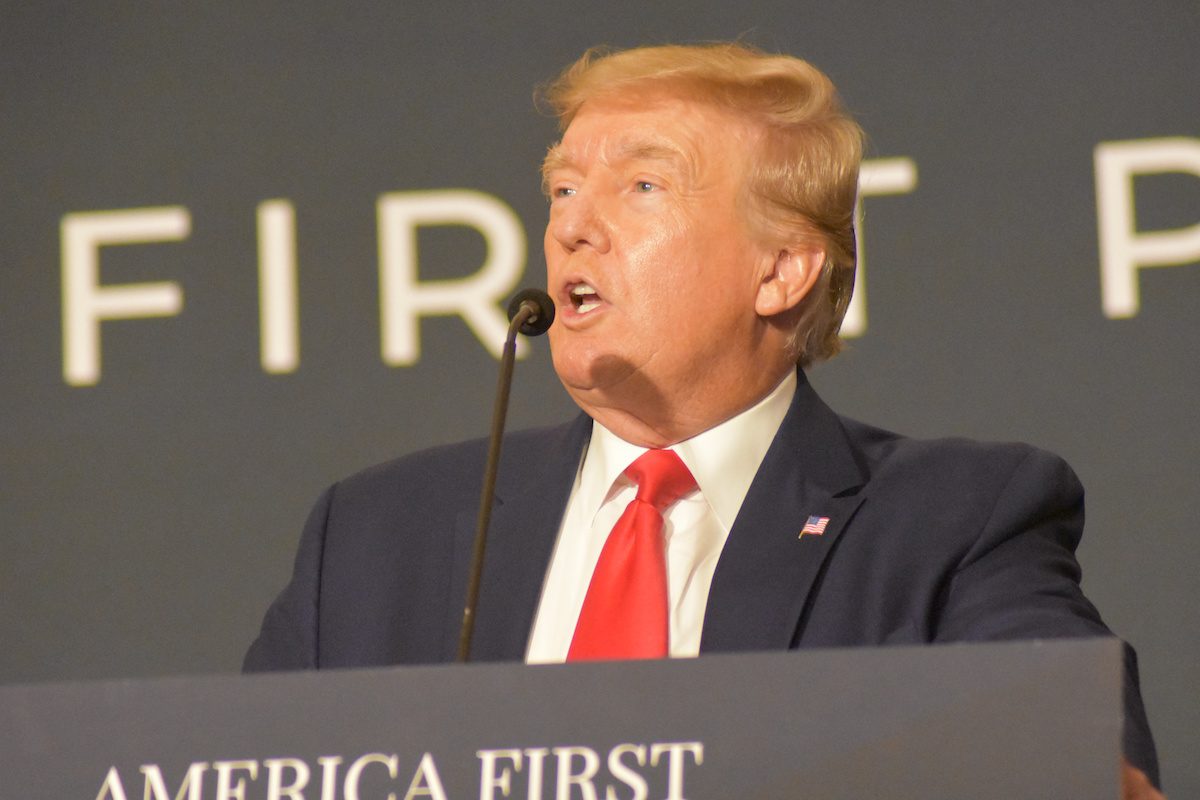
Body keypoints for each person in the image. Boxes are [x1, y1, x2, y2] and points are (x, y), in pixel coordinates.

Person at [245, 43, 1162, 796]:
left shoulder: (954, 523)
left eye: (642, 187)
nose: (572, 227)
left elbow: (1083, 770)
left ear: (782, 270)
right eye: (563, 189)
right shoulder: (372, 537)